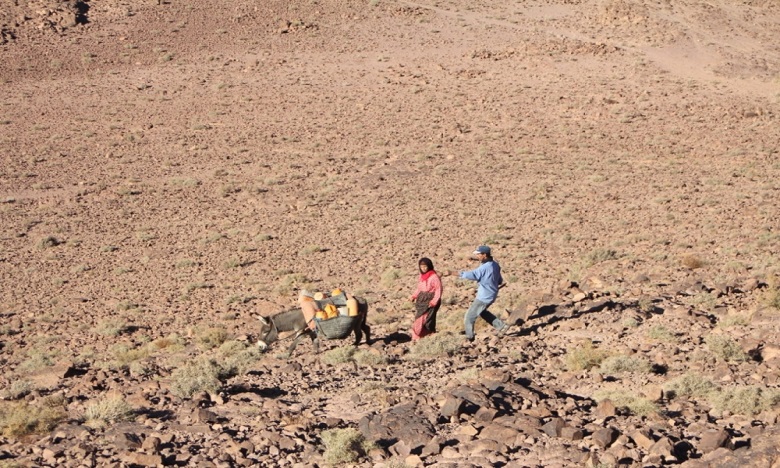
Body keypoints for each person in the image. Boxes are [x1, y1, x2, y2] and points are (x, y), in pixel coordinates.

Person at [457, 245, 510, 342]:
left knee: (469, 316)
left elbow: (473, 275)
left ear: (484, 255)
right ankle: (501, 326)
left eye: (478, 254)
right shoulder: (495, 264)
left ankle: (469, 337)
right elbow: (499, 280)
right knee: (483, 312)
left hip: (484, 296)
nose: (477, 256)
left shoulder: (485, 267)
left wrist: (456, 273)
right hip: (491, 294)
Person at [409, 257, 442, 341]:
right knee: (419, 318)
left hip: (431, 301)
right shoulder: (422, 276)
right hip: (421, 301)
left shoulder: (434, 277)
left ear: (429, 266)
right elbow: (419, 288)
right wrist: (414, 296)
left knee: (427, 319)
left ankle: (428, 335)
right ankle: (420, 337)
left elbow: (438, 289)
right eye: (421, 266)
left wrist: (434, 301)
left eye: (425, 266)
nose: (423, 268)